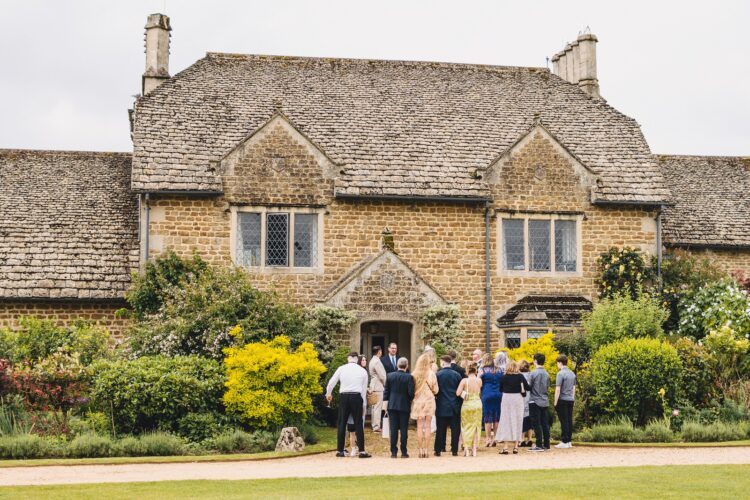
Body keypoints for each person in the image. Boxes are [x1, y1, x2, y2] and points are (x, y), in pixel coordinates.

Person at [326, 352, 371, 458]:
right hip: (356, 397)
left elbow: (331, 382)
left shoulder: (341, 368)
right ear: (357, 359)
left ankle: (340, 450)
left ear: (348, 358)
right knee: (358, 423)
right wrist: (364, 405)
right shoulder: (362, 371)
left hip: (344, 397)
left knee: (342, 423)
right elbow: (364, 390)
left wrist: (328, 393)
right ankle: (362, 451)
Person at [383, 357, 415, 458]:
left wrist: (385, 405)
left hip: (392, 405)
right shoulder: (409, 377)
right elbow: (411, 393)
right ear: (407, 366)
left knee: (393, 429)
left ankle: (393, 452)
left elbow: (386, 392)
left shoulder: (390, 376)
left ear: (397, 365)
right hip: (404, 406)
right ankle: (404, 452)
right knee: (404, 430)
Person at [497, 360, 530, 455]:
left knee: (506, 421)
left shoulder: (504, 377)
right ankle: (516, 446)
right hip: (517, 398)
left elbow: (501, 389)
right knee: (518, 420)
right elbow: (527, 387)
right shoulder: (520, 376)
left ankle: (506, 447)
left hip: (507, 398)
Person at [411, 353, 439, 458]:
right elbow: (436, 390)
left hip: (418, 401)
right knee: (427, 426)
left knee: (419, 427)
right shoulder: (431, 374)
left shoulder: (414, 374)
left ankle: (420, 450)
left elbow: (411, 389)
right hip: (429, 401)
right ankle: (426, 450)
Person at [435, 355, 462, 456]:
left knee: (440, 429)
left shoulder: (438, 375)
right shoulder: (457, 375)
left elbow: (436, 391)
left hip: (441, 404)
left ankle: (439, 449)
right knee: (455, 429)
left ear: (442, 362)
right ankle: (454, 450)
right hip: (454, 405)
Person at [456, 362, 482, 457]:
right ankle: (474, 449)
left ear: (467, 370)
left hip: (467, 404)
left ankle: (467, 449)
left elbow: (458, 393)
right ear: (475, 371)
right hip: (477, 403)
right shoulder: (479, 380)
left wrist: (464, 393)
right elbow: (479, 391)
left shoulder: (464, 381)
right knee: (475, 427)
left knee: (465, 427)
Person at [346, 355, 369, 456]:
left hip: (353, 399)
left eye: (365, 359)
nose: (364, 361)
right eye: (362, 360)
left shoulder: (362, 372)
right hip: (357, 401)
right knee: (353, 427)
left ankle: (358, 447)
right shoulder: (361, 372)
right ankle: (354, 448)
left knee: (358, 427)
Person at [528, 353, 551, 452]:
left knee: (536, 423)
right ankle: (546, 444)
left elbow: (529, 386)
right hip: (544, 400)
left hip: (535, 400)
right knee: (545, 423)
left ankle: (538, 444)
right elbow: (547, 386)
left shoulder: (533, 373)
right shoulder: (547, 373)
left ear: (535, 361)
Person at [479, 353, 502, 447]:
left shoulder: (482, 370)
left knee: (487, 416)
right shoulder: (499, 369)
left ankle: (488, 438)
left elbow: (479, 383)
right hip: (498, 394)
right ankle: (495, 438)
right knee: (496, 416)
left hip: (487, 394)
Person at [554, 354, 576, 449]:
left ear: (560, 363)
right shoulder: (572, 373)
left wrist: (555, 402)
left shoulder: (560, 374)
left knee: (563, 421)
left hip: (562, 399)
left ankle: (564, 440)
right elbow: (573, 388)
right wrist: (572, 397)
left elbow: (558, 389)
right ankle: (569, 441)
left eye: (557, 363)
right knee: (569, 420)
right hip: (570, 399)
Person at [368, 346, 387, 433]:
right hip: (378, 386)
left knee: (374, 406)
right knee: (377, 407)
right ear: (379, 352)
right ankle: (376, 426)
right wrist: (385, 383)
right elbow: (382, 375)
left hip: (374, 385)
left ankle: (374, 425)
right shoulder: (377, 361)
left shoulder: (372, 360)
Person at [519, 359, 533, 447]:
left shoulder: (519, 376)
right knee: (530, 419)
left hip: (522, 398)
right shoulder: (531, 375)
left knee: (522, 419)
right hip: (530, 398)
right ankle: (530, 439)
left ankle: (522, 439)